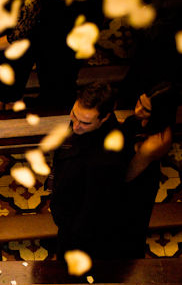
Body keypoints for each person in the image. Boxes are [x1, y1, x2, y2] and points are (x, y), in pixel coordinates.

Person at [48, 82, 128, 261]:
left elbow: (94, 207)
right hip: (66, 198)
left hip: (78, 222)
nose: (75, 126)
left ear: (105, 118)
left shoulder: (107, 159)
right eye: (74, 116)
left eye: (84, 122)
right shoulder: (83, 123)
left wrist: (70, 233)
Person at [117, 83, 177, 258]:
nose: (137, 110)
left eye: (145, 109)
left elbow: (128, 176)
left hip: (137, 182)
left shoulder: (155, 142)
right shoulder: (143, 118)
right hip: (129, 162)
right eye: (139, 102)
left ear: (159, 113)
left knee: (128, 222)